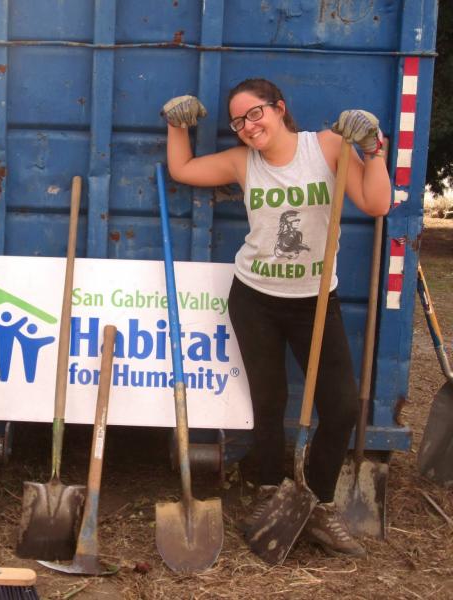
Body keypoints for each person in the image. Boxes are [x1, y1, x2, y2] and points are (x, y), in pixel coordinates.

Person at [162, 78, 391, 557]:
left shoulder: (326, 147)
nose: (248, 126)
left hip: (316, 302)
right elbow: (181, 170)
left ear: (280, 108)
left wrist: (373, 152)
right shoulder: (243, 162)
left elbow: (377, 203)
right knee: (269, 402)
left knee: (342, 408)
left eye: (256, 114)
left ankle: (320, 506)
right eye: (239, 121)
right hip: (255, 298)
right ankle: (270, 495)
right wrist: (176, 126)